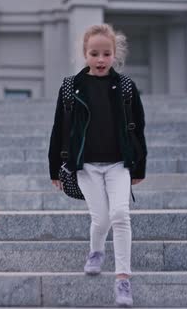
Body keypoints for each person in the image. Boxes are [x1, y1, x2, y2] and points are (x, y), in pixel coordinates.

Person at [48, 23, 147, 307]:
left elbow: (138, 128)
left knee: (120, 214)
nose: (100, 59)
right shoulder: (70, 87)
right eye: (94, 54)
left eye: (106, 54)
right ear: (85, 54)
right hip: (86, 166)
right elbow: (59, 128)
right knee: (101, 219)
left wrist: (139, 167)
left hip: (119, 164)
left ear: (115, 54)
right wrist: (54, 166)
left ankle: (123, 280)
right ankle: (96, 251)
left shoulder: (126, 86)